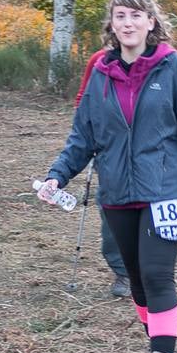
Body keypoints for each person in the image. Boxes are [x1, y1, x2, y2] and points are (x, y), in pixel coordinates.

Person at [38, 0, 177, 353]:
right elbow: (82, 136)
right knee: (137, 282)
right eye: (121, 16)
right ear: (112, 25)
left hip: (166, 189)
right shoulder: (100, 71)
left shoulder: (173, 68)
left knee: (157, 275)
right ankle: (158, 345)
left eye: (136, 15)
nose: (129, 22)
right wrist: (57, 175)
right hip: (117, 192)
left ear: (151, 22)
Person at [75, 47, 130, 298]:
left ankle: (150, 269)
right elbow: (83, 102)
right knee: (110, 208)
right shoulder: (99, 61)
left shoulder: (166, 62)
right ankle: (123, 271)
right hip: (109, 151)